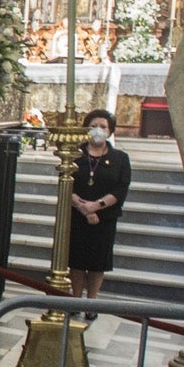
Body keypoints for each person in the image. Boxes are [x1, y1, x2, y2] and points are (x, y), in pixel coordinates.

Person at [68, 109, 132, 318]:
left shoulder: (120, 158)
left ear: (110, 130)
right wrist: (83, 208)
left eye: (103, 126)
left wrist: (96, 207)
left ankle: (91, 302)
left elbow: (121, 188)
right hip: (77, 215)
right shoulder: (75, 154)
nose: (98, 130)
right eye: (94, 125)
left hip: (104, 218)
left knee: (97, 262)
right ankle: (76, 300)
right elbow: (66, 184)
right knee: (77, 260)